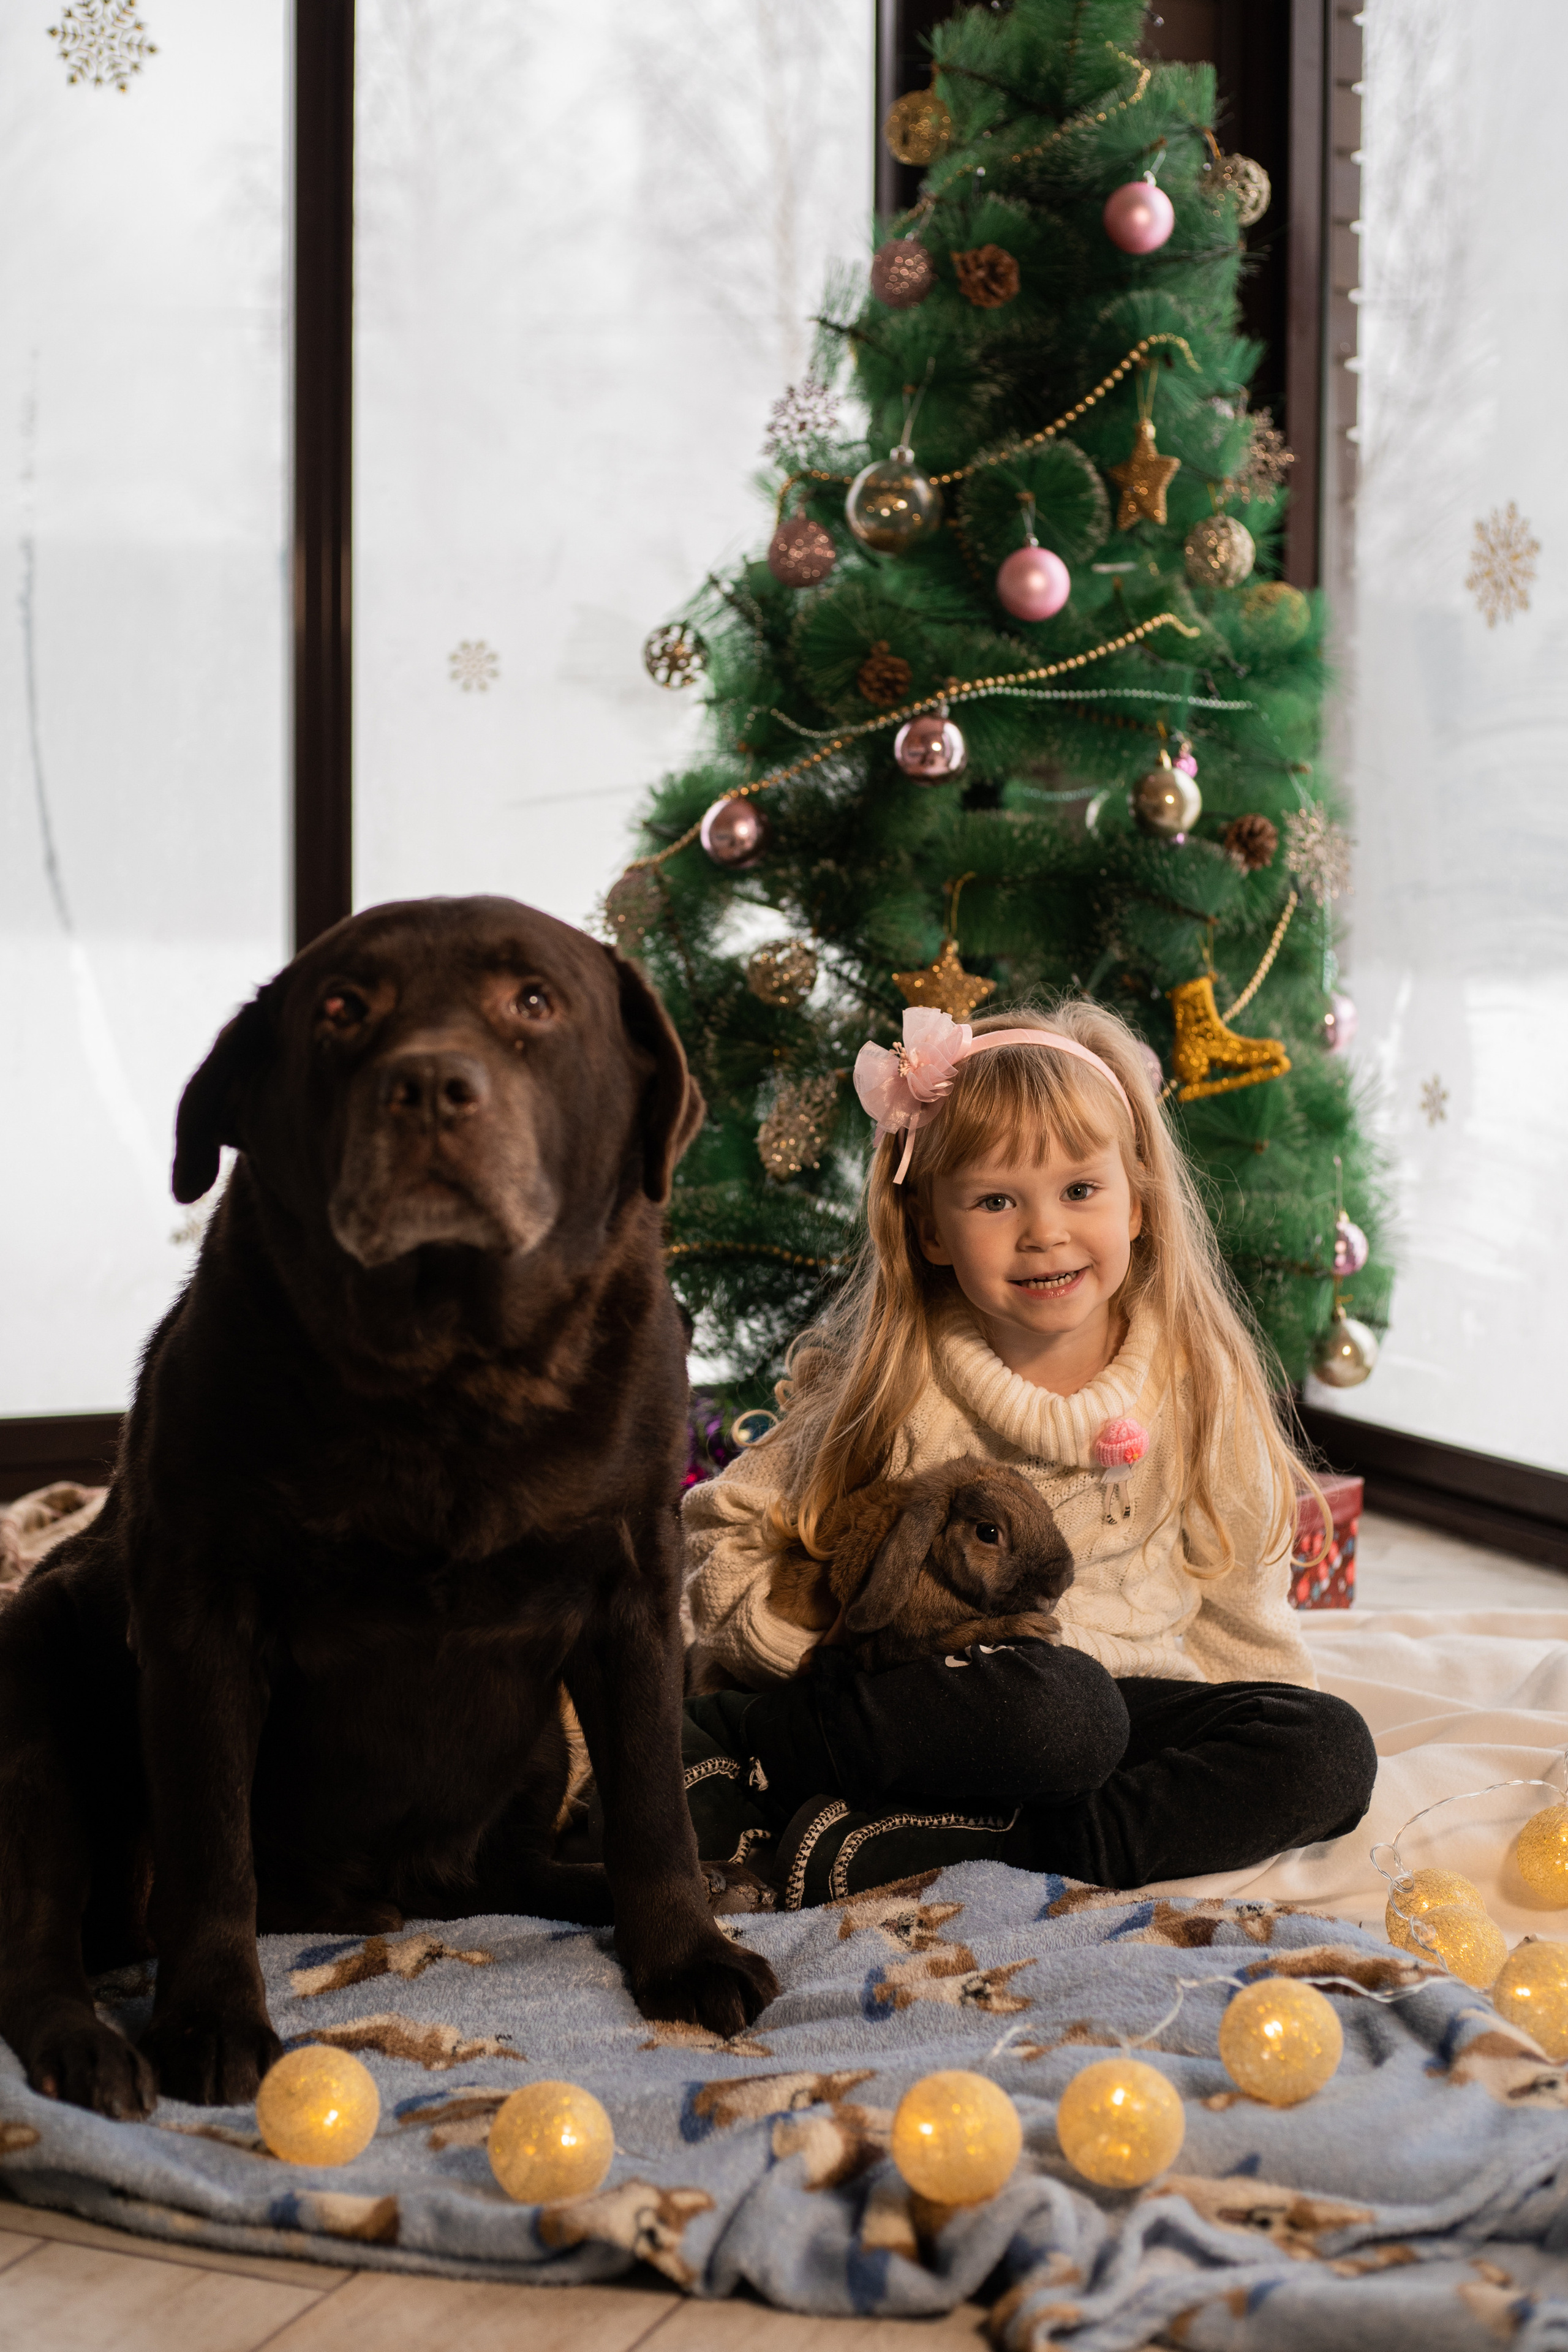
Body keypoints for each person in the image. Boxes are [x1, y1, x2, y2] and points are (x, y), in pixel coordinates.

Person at [680, 1000, 1378, 1909]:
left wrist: (1260, 1734)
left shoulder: (1197, 1381)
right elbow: (721, 1526)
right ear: (931, 1229)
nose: (1044, 1230)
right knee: (1062, 1714)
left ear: (1138, 1203)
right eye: (996, 1200)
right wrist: (798, 1672)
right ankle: (778, 1749)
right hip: (951, 1700)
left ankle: (957, 1844)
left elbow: (1241, 1598)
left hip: (1120, 1709)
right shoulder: (898, 1381)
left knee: (1330, 1750)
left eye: (1080, 1191)